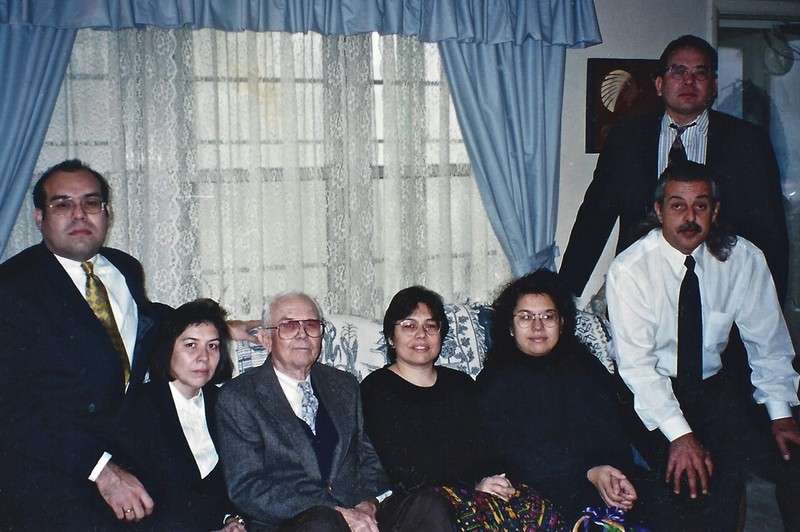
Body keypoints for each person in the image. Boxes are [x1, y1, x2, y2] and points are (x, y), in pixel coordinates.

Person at [606, 161, 800, 530]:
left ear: (715, 210)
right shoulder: (630, 270)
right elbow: (638, 368)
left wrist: (781, 415)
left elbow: (768, 343)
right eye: (677, 205)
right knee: (685, 484)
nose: (690, 217)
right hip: (651, 393)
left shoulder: (742, 259)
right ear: (659, 211)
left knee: (784, 462)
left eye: (701, 205)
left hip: (715, 390)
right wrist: (681, 436)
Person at [0, 159, 169, 530]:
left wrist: (224, 328)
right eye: (62, 204)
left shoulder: (124, 268)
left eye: (91, 203)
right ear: (39, 217)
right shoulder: (11, 288)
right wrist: (102, 471)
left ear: (106, 213)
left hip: (129, 462)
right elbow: (12, 410)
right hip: (53, 479)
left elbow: (146, 321)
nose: (79, 214)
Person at [560, 34, 788, 302]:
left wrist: (769, 300)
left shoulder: (748, 142)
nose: (689, 81)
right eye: (678, 71)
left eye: (700, 73)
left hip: (721, 292)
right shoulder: (626, 139)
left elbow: (770, 231)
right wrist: (563, 295)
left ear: (713, 86)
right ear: (659, 84)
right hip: (640, 289)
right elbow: (594, 220)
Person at [214, 292, 454, 531]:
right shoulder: (239, 397)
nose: (302, 334)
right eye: (289, 326)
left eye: (311, 325)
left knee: (429, 505)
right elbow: (248, 487)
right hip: (293, 522)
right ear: (267, 338)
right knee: (323, 524)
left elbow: (370, 459)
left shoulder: (343, 385)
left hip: (357, 513)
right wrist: (337, 512)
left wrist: (368, 504)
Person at [361, 286, 565, 531]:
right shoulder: (376, 389)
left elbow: (487, 445)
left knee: (537, 509)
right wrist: (473, 486)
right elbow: (403, 469)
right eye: (409, 326)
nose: (421, 335)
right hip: (419, 501)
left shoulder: (460, 383)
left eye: (430, 326)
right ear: (391, 337)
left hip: (475, 489)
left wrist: (497, 481)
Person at [476, 270, 645, 525]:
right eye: (526, 317)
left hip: (597, 482)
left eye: (548, 316)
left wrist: (613, 474)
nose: (538, 326)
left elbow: (615, 432)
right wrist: (589, 472)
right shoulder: (495, 379)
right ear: (510, 327)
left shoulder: (585, 365)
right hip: (537, 492)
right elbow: (511, 455)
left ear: (562, 323)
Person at [119, 298, 246, 531]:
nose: (203, 357)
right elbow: (138, 504)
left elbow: (238, 481)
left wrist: (231, 520)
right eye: (190, 345)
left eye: (213, 346)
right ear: (168, 349)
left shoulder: (226, 402)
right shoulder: (139, 408)